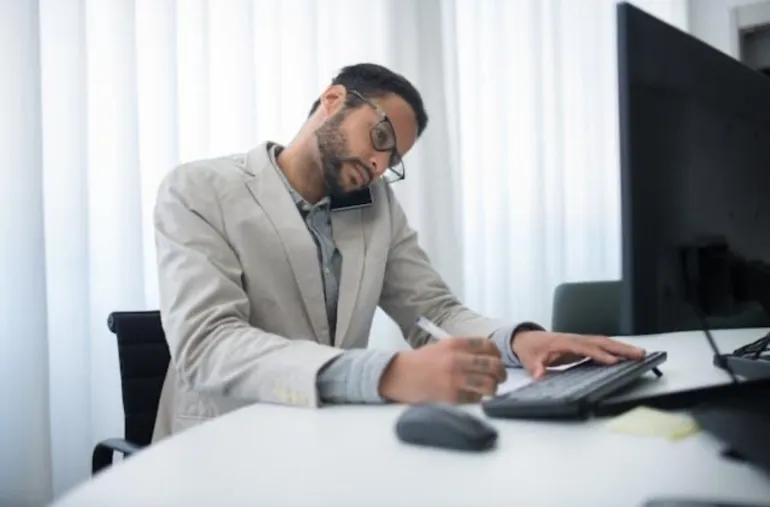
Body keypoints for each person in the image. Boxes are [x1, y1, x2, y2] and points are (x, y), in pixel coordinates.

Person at [151, 62, 645, 441]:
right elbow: (207, 344)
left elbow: (432, 311)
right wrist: (387, 373)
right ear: (333, 99)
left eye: (393, 158)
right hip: (223, 445)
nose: (379, 163)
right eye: (380, 136)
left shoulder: (377, 205)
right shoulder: (199, 189)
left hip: (327, 439)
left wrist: (518, 341)